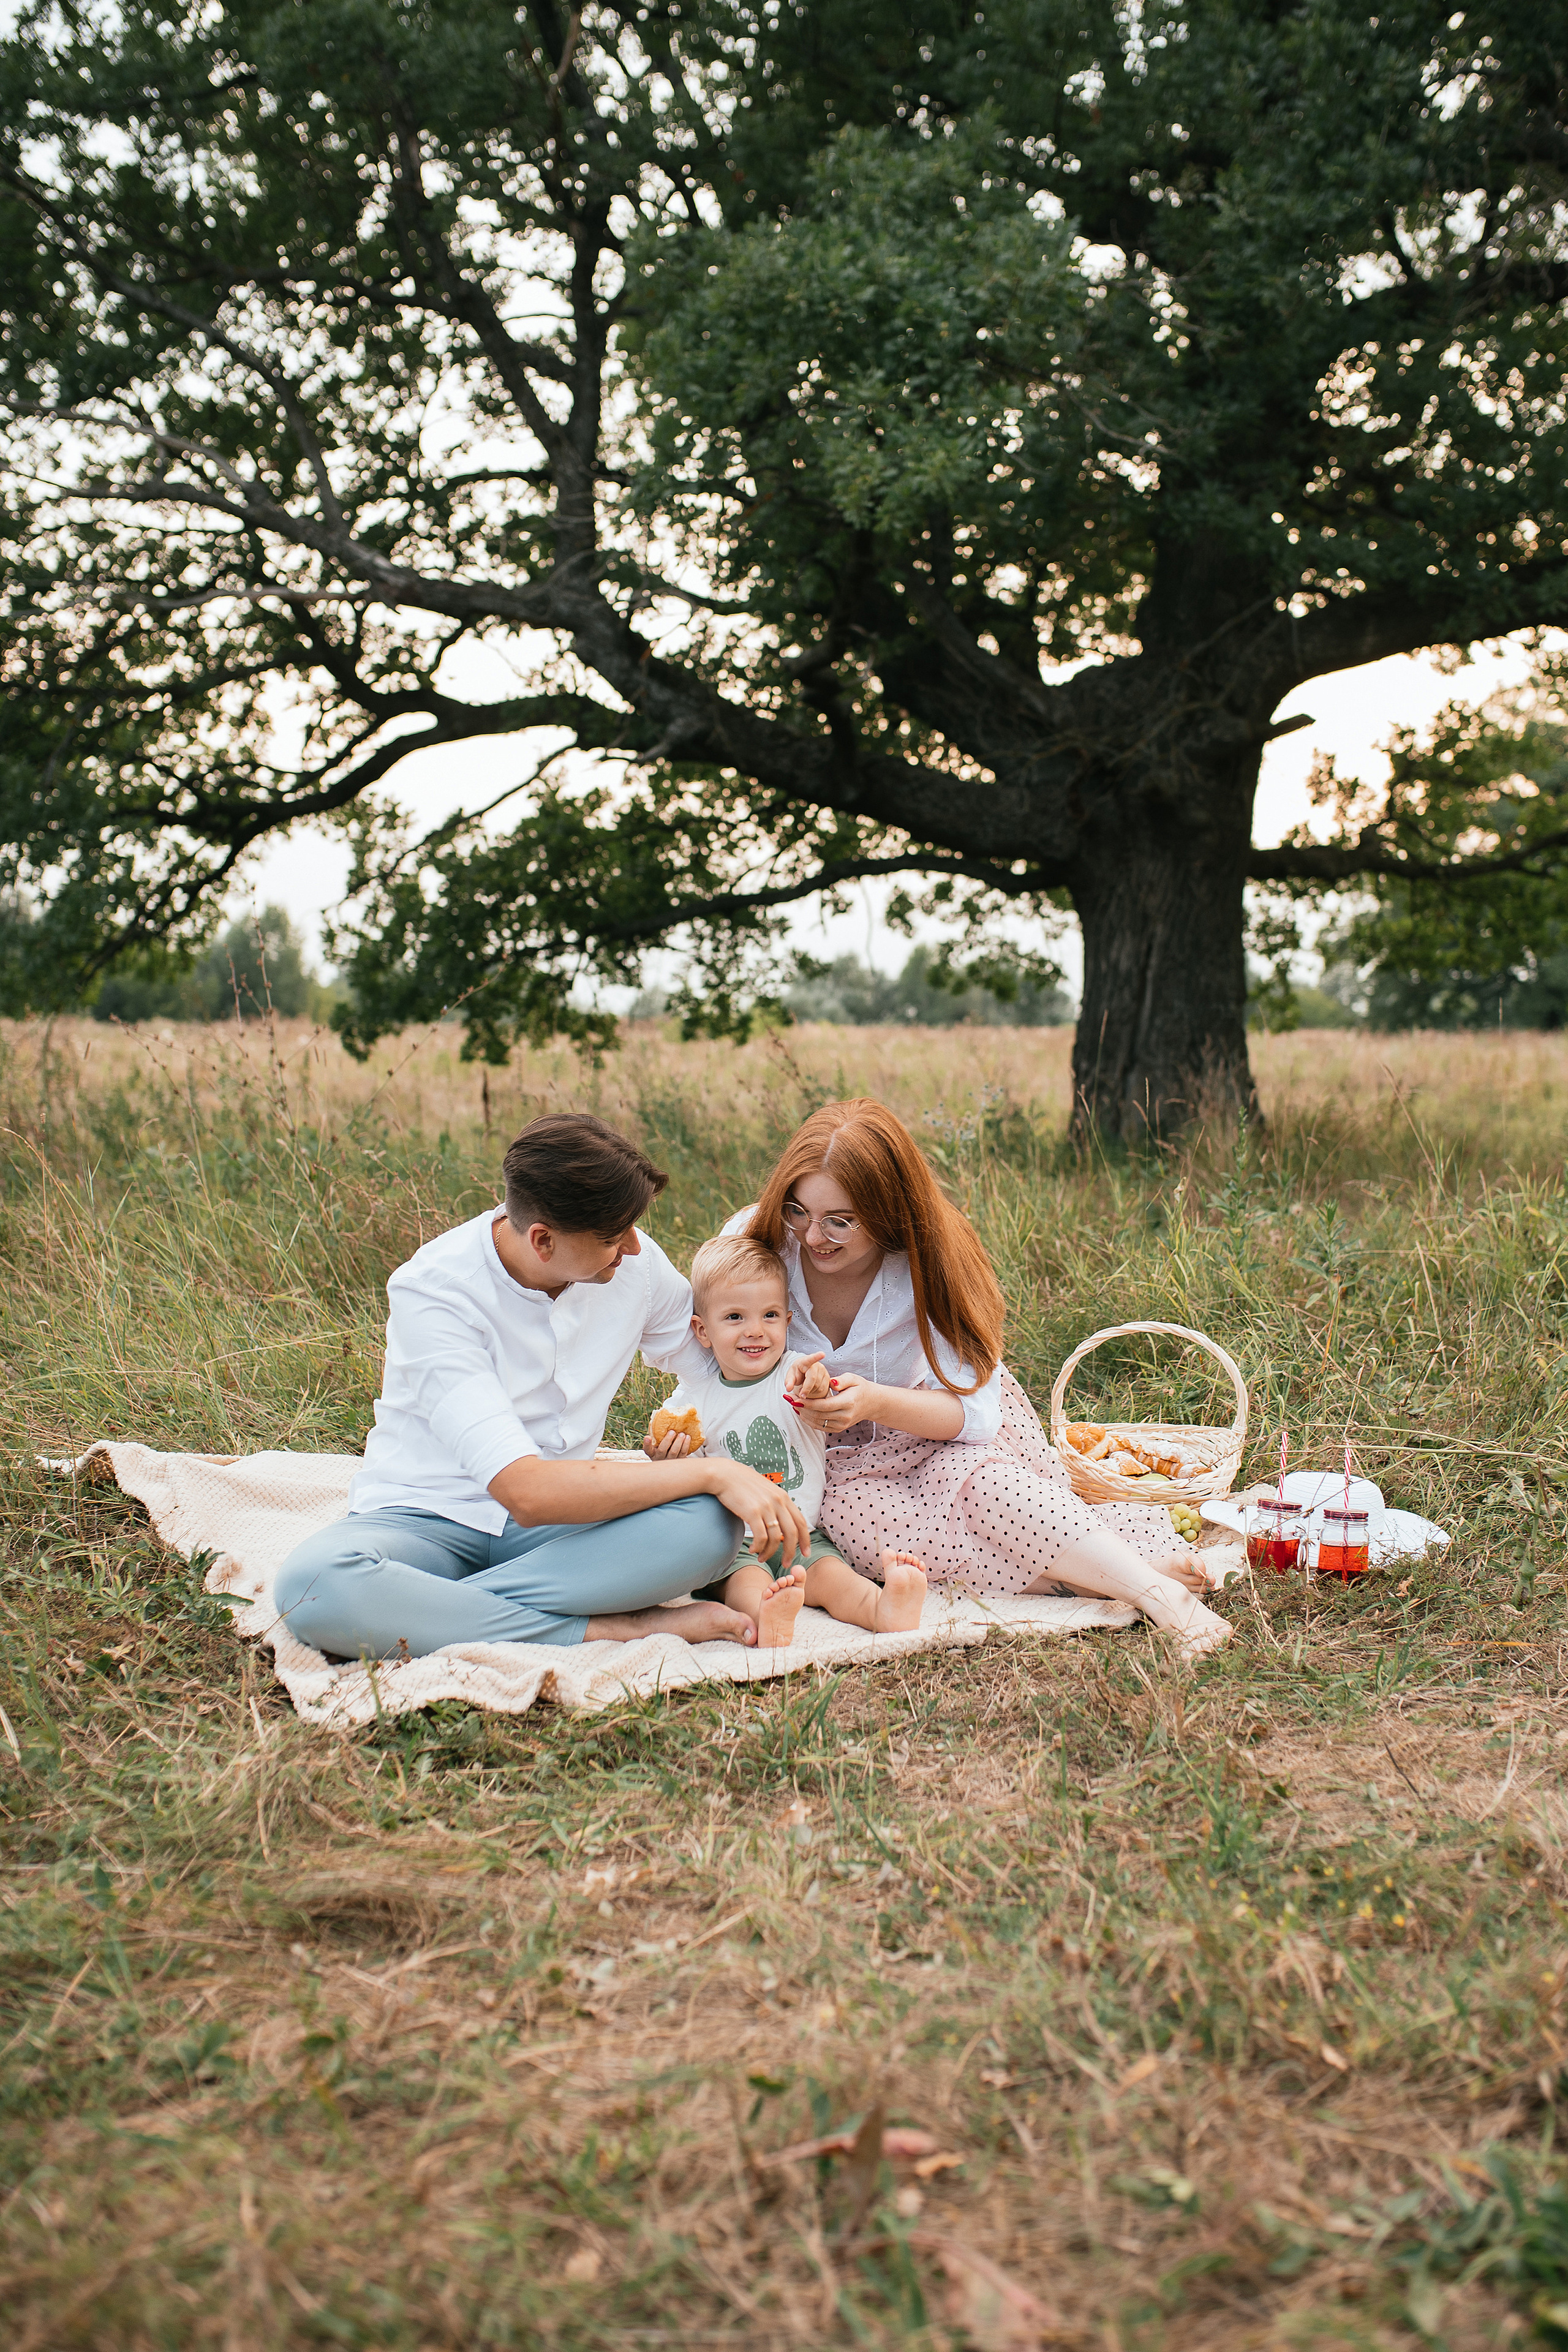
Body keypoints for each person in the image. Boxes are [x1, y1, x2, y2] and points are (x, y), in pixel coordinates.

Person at [273, 1114, 811, 1659]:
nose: (631, 1247)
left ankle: (422, 1612)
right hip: (426, 1520)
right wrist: (714, 1469)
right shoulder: (435, 1292)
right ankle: (614, 1627)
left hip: (564, 1534)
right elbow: (526, 1492)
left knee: (713, 1523)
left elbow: (714, 1358)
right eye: (611, 1237)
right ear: (543, 1240)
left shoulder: (635, 1264)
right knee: (314, 1587)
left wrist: (798, 1376)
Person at [720, 1098, 1232, 1658]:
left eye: (840, 1220)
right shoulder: (759, 1238)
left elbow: (975, 1416)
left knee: (984, 1489)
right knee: (865, 1535)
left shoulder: (927, 1259)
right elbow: (706, 1344)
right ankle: (1103, 1573)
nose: (813, 1235)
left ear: (888, 1211)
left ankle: (1161, 1596)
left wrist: (872, 1403)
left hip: (937, 1426)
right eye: (799, 1211)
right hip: (831, 1459)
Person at [644, 1233, 931, 1642]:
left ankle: (884, 1608)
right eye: (735, 1318)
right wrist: (663, 1456)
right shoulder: (695, 1400)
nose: (755, 1331)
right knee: (747, 1587)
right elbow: (681, 1465)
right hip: (735, 1544)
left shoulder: (794, 1371)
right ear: (702, 1331)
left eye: (770, 1315)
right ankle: (767, 1620)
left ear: (788, 1322)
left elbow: (819, 1386)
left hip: (802, 1532)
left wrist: (816, 1383)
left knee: (835, 1580)